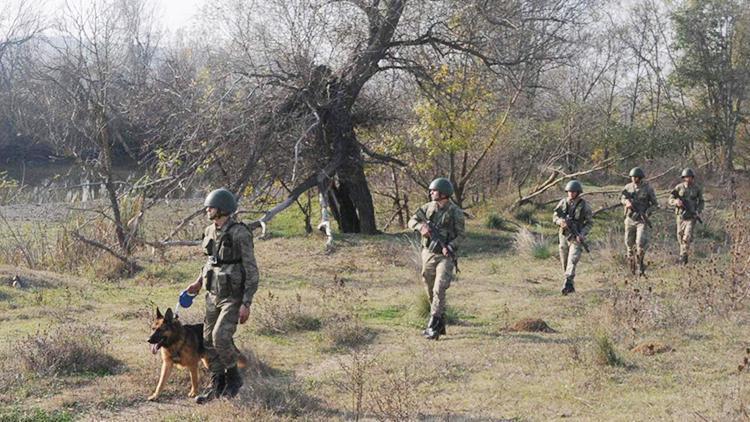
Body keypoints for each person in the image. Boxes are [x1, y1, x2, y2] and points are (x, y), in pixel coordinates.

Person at [186, 188, 259, 404]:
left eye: (212, 207)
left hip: (232, 296)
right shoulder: (210, 231)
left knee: (220, 337)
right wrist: (199, 282)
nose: (207, 209)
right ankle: (217, 385)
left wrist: (246, 302)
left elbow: (251, 269)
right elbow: (210, 261)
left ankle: (234, 379)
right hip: (212, 293)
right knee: (207, 340)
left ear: (223, 209)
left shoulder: (240, 233)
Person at [407, 178, 465, 340]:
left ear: (443, 194)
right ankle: (440, 320)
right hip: (429, 253)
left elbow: (462, 235)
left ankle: (432, 326)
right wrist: (421, 228)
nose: (431, 193)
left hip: (445, 256)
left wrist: (451, 247)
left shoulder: (455, 212)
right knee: (429, 285)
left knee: (439, 288)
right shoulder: (427, 208)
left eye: (434, 191)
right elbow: (412, 220)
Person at [552, 180, 593, 295]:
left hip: (576, 236)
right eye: (569, 191)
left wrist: (582, 234)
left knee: (572, 259)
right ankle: (570, 284)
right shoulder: (563, 203)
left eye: (573, 191)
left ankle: (567, 283)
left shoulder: (584, 205)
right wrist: (560, 221)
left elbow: (590, 223)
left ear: (578, 192)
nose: (571, 193)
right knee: (564, 261)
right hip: (564, 235)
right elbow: (555, 216)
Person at [620, 167, 658, 276]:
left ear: (640, 178)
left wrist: (647, 212)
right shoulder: (628, 187)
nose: (634, 179)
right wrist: (626, 202)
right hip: (629, 219)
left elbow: (655, 205)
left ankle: (640, 265)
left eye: (636, 177)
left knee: (640, 243)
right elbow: (622, 198)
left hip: (641, 220)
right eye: (632, 177)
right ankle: (631, 267)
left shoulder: (648, 189)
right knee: (628, 243)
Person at [668, 168, 704, 264]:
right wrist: (676, 202)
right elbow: (670, 199)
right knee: (680, 235)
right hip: (680, 216)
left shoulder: (697, 188)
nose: (688, 179)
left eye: (690, 177)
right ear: (683, 178)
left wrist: (698, 211)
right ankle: (683, 254)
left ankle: (683, 257)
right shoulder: (679, 187)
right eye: (686, 177)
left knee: (686, 237)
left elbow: (701, 202)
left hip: (691, 216)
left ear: (693, 178)